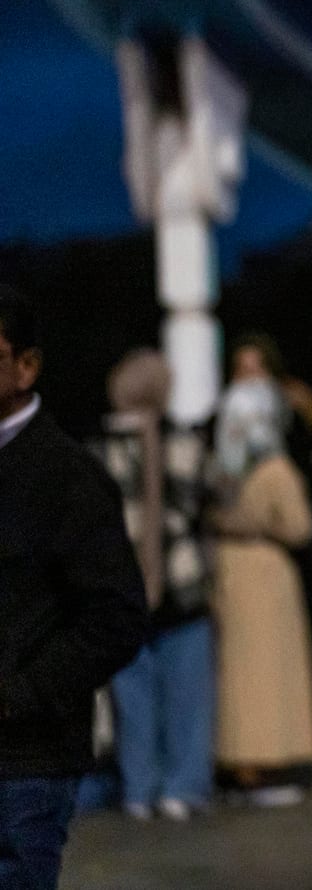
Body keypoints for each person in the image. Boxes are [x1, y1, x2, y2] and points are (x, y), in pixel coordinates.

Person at [0, 285, 147, 888]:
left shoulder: (68, 477)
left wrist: (19, 694)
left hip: (25, 765)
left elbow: (116, 619)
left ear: (27, 366)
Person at [99, 349, 215, 821]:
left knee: (134, 702)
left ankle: (139, 787)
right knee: (188, 697)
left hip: (121, 588)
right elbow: (206, 499)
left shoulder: (102, 448)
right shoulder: (185, 442)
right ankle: (183, 787)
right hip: (184, 586)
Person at [209, 375, 312, 804]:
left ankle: (246, 765)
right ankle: (267, 763)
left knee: (240, 673)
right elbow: (299, 526)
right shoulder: (275, 469)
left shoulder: (225, 470)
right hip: (266, 575)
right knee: (266, 675)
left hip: (234, 572)